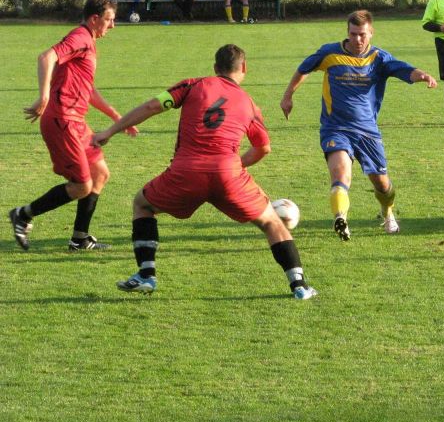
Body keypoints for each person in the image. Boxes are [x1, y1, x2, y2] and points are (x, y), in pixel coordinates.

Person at [91, 44, 317, 300]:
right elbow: (263, 148)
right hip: (229, 174)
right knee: (270, 222)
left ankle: (146, 274)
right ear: (244, 68)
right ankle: (298, 285)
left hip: (185, 172)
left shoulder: (192, 85)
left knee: (143, 205)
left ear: (215, 68)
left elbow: (152, 107)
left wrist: (109, 132)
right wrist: (234, 168)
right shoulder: (249, 103)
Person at [280, 10, 437, 241]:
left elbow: (404, 70)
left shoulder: (379, 58)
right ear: (347, 32)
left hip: (367, 132)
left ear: (371, 33)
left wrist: (422, 75)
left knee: (382, 185)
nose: (357, 40)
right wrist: (288, 96)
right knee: (341, 174)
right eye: (353, 34)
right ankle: (340, 218)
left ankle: (388, 213)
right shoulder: (330, 53)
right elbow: (304, 69)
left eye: (362, 34)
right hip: (336, 128)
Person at [8, 0, 138, 252]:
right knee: (81, 185)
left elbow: (87, 90)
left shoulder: (89, 41)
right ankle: (23, 215)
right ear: (94, 19)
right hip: (61, 121)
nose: (113, 26)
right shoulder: (80, 37)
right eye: (109, 20)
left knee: (100, 173)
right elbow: (47, 57)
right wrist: (44, 95)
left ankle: (79, 238)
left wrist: (117, 117)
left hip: (76, 121)